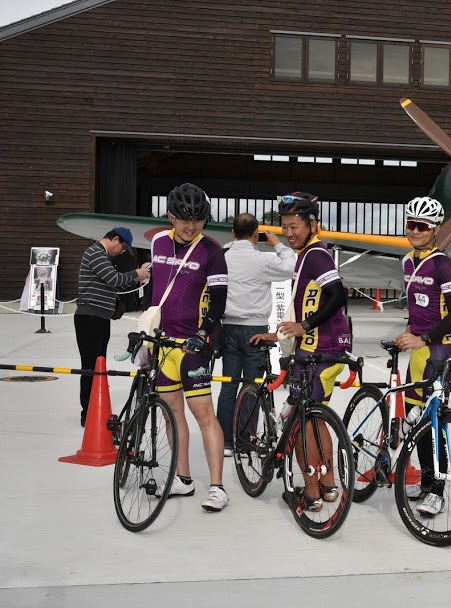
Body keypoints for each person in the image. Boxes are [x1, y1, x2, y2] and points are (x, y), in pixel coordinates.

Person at [250, 192, 353, 512]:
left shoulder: (316, 255)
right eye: (285, 227)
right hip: (327, 348)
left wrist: (305, 326)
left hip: (316, 351)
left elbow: (337, 295)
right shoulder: (308, 254)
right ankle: (329, 484)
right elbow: (308, 302)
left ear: (313, 225)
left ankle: (311, 492)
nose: (289, 232)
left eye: (295, 226)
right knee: (315, 419)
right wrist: (281, 331)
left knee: (299, 420)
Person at [150, 183, 230, 512]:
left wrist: (204, 332)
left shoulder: (212, 251)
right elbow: (155, 288)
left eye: (198, 220)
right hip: (162, 345)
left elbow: (220, 302)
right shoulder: (157, 243)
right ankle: (182, 479)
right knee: (171, 416)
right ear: (171, 216)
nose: (191, 226)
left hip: (192, 347)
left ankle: (217, 487)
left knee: (204, 416)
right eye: (184, 219)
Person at [392, 196, 451, 517]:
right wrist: (408, 336)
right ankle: (424, 481)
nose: (415, 231)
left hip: (441, 347)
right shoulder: (407, 261)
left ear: (435, 229)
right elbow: (415, 309)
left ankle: (438, 489)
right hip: (419, 349)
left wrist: (423, 337)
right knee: (414, 419)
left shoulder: (443, 264)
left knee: (434, 420)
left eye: (422, 226)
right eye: (411, 224)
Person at [216, 213, 296, 456]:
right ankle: (245, 439)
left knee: (229, 385)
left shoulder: (223, 256)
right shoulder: (262, 259)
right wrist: (278, 244)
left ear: (232, 233)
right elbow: (291, 266)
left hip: (227, 327)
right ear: (255, 235)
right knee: (253, 386)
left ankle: (225, 442)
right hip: (255, 329)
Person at [74, 227, 150, 427]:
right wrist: (136, 273)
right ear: (115, 239)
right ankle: (87, 412)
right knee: (91, 367)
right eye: (123, 248)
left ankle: (93, 409)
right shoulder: (95, 253)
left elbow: (113, 283)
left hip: (98, 318)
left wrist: (139, 277)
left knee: (98, 365)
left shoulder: (101, 256)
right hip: (90, 318)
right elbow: (114, 279)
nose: (122, 252)